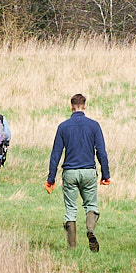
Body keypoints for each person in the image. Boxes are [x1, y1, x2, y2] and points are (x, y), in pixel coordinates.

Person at [45, 93, 111, 251]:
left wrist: (51, 179)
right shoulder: (94, 126)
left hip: (70, 172)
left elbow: (56, 154)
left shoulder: (63, 127)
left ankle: (72, 247)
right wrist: (106, 175)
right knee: (91, 205)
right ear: (85, 106)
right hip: (88, 171)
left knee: (71, 209)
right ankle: (90, 230)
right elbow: (101, 152)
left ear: (71, 107)